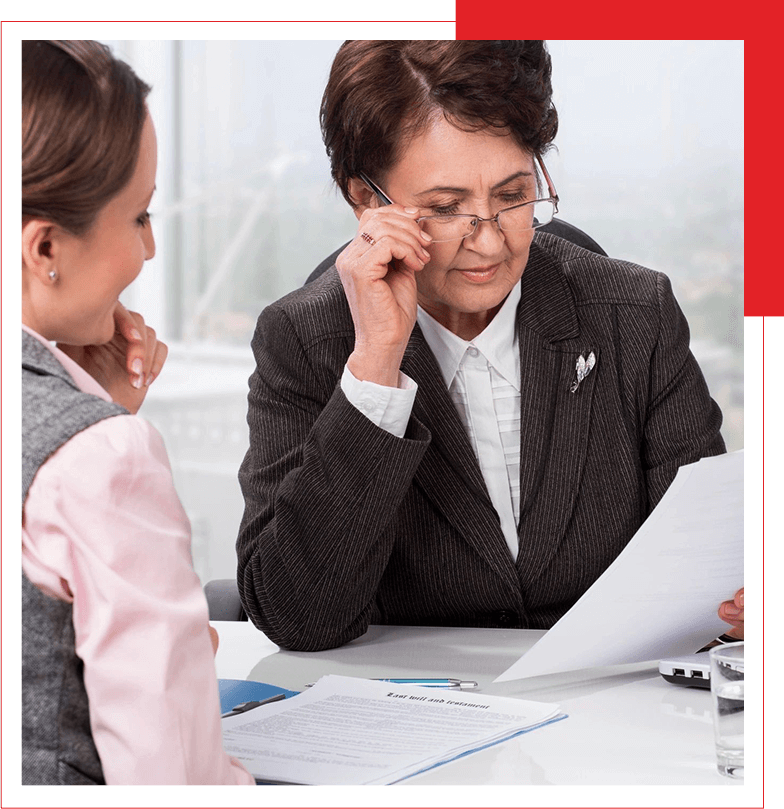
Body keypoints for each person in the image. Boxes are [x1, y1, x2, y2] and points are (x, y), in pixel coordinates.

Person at [236, 40, 743, 652]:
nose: (490, 244)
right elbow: (298, 618)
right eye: (446, 209)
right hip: (406, 716)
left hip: (610, 705)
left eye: (512, 197)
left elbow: (708, 570)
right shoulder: (305, 342)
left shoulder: (634, 315)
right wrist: (375, 368)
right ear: (369, 201)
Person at [21, 40, 254, 786]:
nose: (150, 250)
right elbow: (172, 774)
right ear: (46, 246)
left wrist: (90, 405)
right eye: (140, 215)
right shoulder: (97, 460)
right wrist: (97, 432)